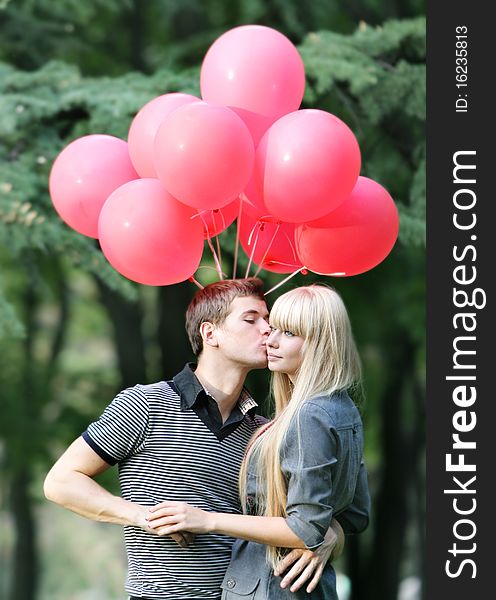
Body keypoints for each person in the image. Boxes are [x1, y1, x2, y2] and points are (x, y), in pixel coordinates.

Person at [43, 278, 344, 600]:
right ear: (210, 333)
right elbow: (61, 482)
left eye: (268, 320)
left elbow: (312, 516)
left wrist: (331, 538)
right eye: (251, 319)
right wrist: (140, 515)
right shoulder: (144, 404)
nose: (268, 330)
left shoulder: (266, 432)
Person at [145, 285, 371, 599]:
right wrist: (330, 533)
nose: (271, 338)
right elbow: (355, 514)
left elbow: (305, 529)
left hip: (273, 587)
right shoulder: (342, 409)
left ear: (320, 343)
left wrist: (207, 520)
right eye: (272, 327)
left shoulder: (310, 415)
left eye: (289, 333)